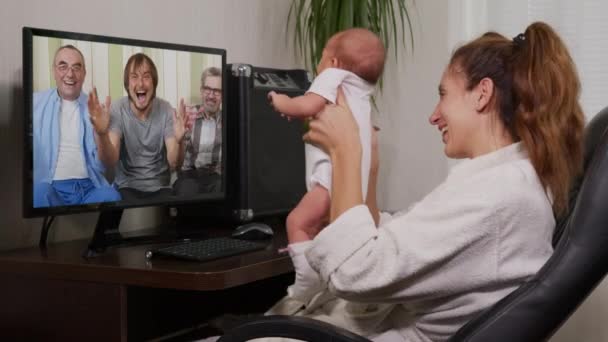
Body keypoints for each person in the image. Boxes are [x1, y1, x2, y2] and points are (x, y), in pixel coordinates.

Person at [217, 21, 584, 342]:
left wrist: (346, 152)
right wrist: (369, 167)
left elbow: (355, 273)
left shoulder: (499, 194)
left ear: (482, 94)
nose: (433, 115)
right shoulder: (502, 181)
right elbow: (397, 243)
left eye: (443, 95)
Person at [268, 28, 385, 244]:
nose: (318, 66)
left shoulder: (333, 75)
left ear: (333, 61)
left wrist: (283, 102)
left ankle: (305, 276)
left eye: (321, 58)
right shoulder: (363, 90)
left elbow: (309, 104)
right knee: (325, 231)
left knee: (296, 223)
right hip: (352, 185)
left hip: (329, 180)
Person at [88, 53, 187, 202]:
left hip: (161, 188)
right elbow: (110, 160)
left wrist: (180, 142)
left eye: (146, 76)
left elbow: (174, 164)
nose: (140, 84)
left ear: (154, 83)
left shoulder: (166, 109)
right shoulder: (117, 109)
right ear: (128, 85)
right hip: (127, 187)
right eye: (134, 77)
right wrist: (102, 134)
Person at [33, 45, 121, 208]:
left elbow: (108, 162)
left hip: (89, 187)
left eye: (76, 67)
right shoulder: (34, 103)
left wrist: (101, 133)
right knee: (38, 192)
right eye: (63, 66)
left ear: (84, 73)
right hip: (51, 187)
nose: (70, 74)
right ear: (54, 71)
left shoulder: (97, 111)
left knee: (112, 195)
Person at [173, 66, 223, 196]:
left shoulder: (227, 120)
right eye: (207, 89)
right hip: (188, 176)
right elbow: (176, 165)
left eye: (217, 91)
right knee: (188, 189)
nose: (211, 95)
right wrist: (179, 141)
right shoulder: (187, 115)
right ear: (201, 91)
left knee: (222, 187)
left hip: (215, 177)